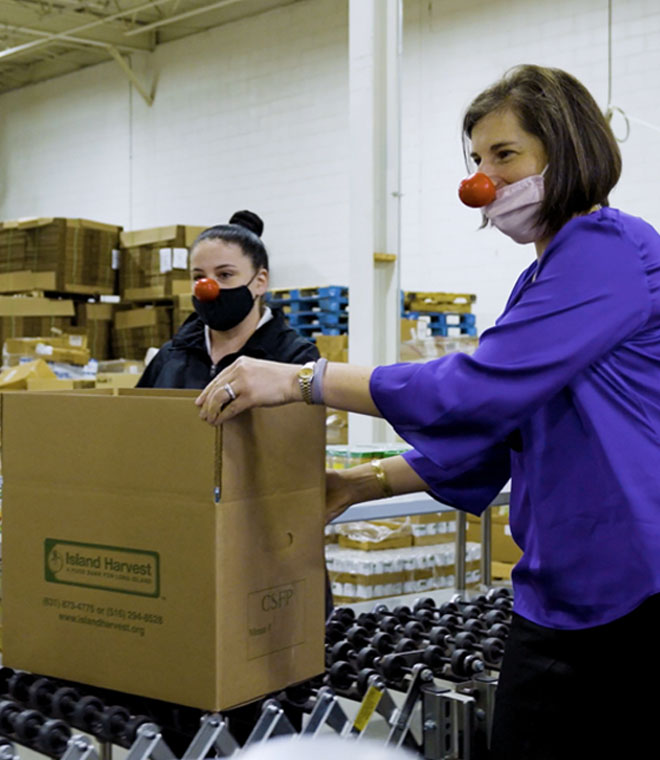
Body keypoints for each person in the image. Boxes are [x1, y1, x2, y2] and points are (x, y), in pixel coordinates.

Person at [193, 66, 660, 759]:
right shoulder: (546, 274)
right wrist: (359, 485)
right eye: (476, 160)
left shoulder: (608, 255)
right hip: (564, 585)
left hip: (624, 589)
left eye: (506, 156)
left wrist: (304, 379)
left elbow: (470, 390)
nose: (484, 181)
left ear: (567, 152)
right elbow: (501, 434)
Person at [137, 209, 320, 389]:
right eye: (199, 277)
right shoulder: (169, 357)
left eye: (225, 274)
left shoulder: (295, 359)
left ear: (260, 281)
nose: (208, 288)